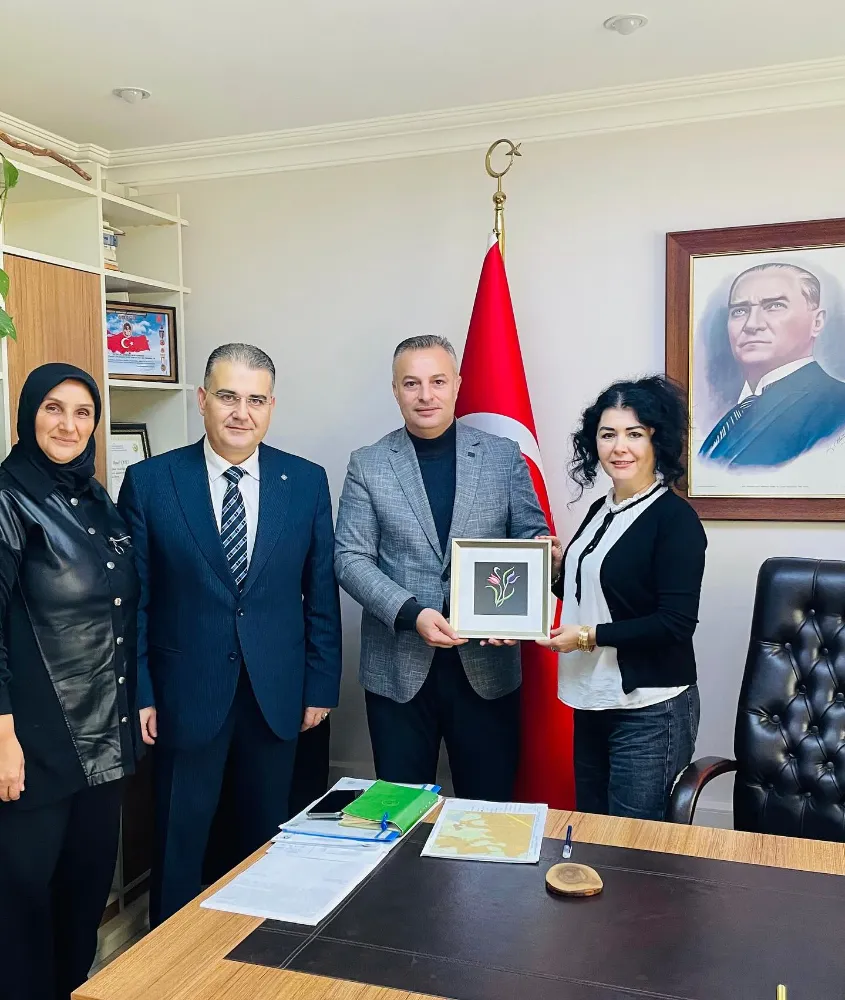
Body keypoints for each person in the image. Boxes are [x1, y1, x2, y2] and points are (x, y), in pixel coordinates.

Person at [119, 343, 342, 927]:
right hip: (183, 693)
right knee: (179, 841)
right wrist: (141, 691)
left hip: (277, 694)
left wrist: (320, 686)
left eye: (256, 400)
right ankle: (169, 959)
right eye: (227, 397)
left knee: (263, 841)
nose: (242, 412)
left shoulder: (306, 481)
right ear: (202, 400)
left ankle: (247, 954)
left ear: (271, 407)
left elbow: (321, 594)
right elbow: (134, 604)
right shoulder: (150, 482)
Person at [334, 335, 548, 801]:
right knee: (400, 810)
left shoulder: (501, 455)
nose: (425, 395)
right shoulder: (368, 464)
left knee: (488, 813)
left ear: (457, 385)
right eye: (412, 383)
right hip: (399, 668)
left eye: (437, 381)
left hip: (487, 666)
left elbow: (532, 536)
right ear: (395, 390)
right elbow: (350, 559)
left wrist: (523, 599)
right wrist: (412, 613)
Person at [0, 364, 139, 1000]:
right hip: (32, 743)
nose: (68, 425)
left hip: (102, 740)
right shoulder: (8, 497)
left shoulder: (94, 497)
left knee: (82, 898)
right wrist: (3, 736)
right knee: (22, 907)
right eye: (53, 408)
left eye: (83, 413)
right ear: (27, 414)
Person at [538, 375, 706, 820]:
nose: (619, 447)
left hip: (648, 708)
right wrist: (558, 570)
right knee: (595, 832)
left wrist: (587, 636)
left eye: (634, 434)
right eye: (607, 434)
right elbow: (598, 593)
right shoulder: (601, 510)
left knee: (633, 845)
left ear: (656, 440)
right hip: (592, 699)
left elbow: (674, 623)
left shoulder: (675, 520)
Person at [699, 262, 845, 466]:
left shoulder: (837, 405)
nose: (752, 324)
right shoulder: (737, 411)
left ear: (817, 322)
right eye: (740, 311)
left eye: (775, 306)